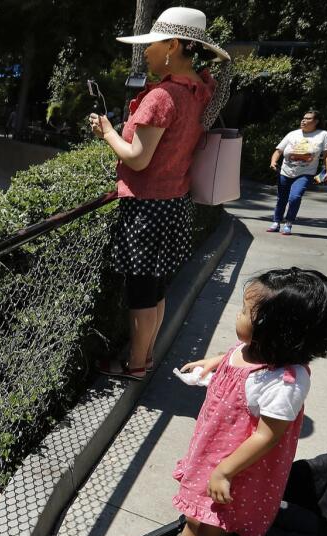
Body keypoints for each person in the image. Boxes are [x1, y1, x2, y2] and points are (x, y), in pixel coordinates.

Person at [127, 267, 327, 536]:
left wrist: (224, 472)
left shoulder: (284, 381)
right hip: (213, 455)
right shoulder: (254, 348)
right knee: (196, 519)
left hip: (238, 472)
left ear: (279, 332)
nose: (238, 315)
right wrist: (212, 363)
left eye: (246, 312)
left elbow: (268, 435)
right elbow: (231, 356)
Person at [88, 7, 232, 380]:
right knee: (156, 287)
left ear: (172, 45)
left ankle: (136, 366)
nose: (146, 53)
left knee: (139, 292)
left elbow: (137, 159)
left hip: (146, 209)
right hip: (174, 204)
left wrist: (106, 131)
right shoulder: (199, 91)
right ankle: (146, 357)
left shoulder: (162, 97)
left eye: (152, 45)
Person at [270, 110, 327, 235]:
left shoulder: (323, 135)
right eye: (303, 118)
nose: (303, 120)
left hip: (305, 173)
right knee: (281, 198)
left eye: (308, 118)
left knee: (295, 197)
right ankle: (276, 222)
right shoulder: (293, 134)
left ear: (316, 122)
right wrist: (273, 161)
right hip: (285, 171)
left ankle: (288, 223)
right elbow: (279, 150)